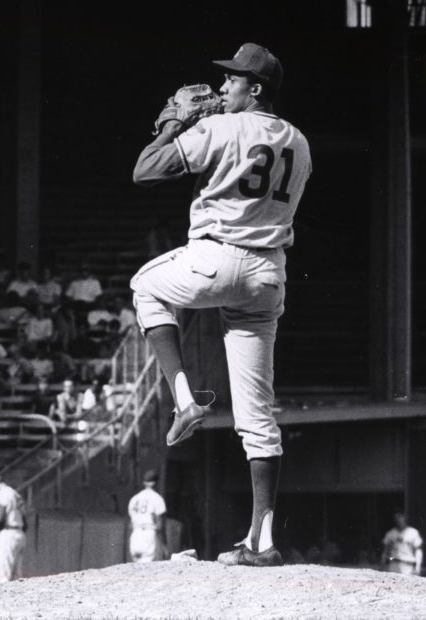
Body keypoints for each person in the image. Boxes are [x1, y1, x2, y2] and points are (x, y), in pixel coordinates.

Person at [130, 43, 311, 567]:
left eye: (232, 80)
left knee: (147, 287)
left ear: (255, 89)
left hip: (219, 256)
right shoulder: (300, 141)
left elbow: (145, 170)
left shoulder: (221, 128)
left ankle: (185, 398)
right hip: (268, 274)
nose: (221, 88)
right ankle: (263, 541)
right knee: (258, 417)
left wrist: (173, 127)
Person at [127, 469, 167, 563]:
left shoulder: (134, 499)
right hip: (148, 535)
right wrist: (164, 546)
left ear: (144, 483)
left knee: (135, 569)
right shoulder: (157, 499)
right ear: (156, 483)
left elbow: (130, 525)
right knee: (147, 570)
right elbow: (160, 526)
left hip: (135, 535)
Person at [380, 510, 423, 576]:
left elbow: (418, 551)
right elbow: (385, 551)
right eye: (396, 517)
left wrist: (418, 567)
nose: (398, 519)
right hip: (393, 565)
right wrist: (382, 566)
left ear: (405, 517)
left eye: (400, 516)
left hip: (408, 565)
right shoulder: (390, 533)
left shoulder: (413, 532)